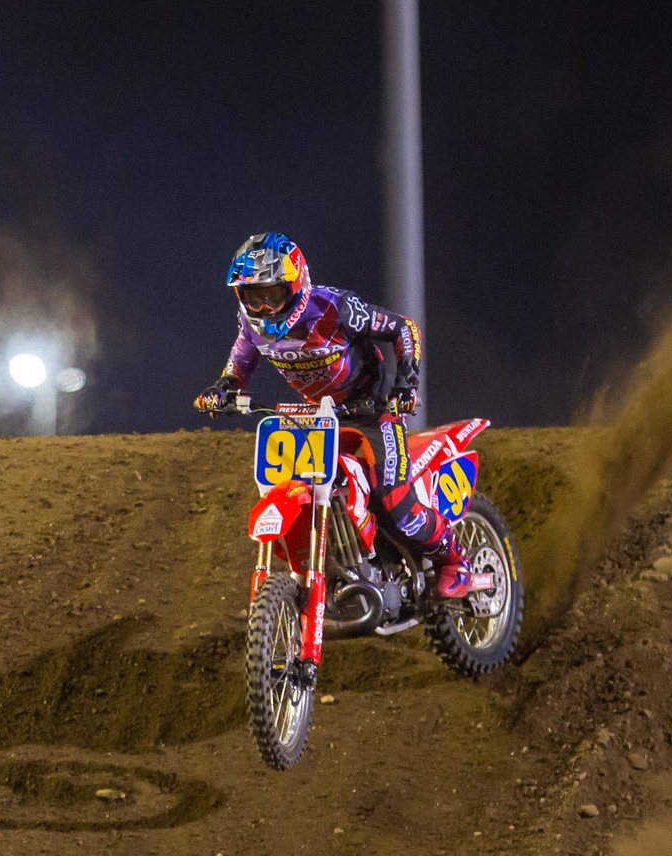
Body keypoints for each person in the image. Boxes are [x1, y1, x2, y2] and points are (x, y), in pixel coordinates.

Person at [194, 232, 480, 600]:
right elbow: (241, 357)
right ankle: (344, 564)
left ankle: (454, 559)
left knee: (394, 501)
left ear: (296, 285)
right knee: (303, 486)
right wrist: (225, 387)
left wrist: (405, 385)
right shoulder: (250, 324)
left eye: (272, 294)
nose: (263, 307)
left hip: (373, 411)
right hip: (319, 419)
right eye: (252, 296)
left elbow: (403, 328)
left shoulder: (335, 308)